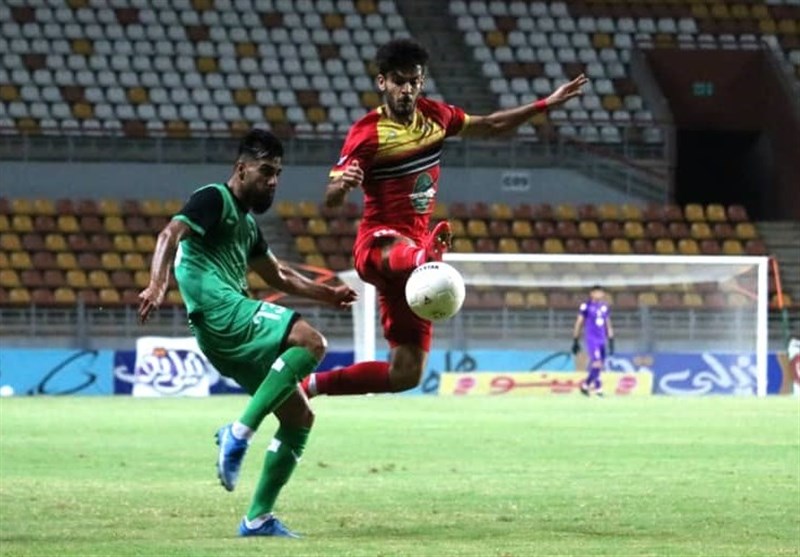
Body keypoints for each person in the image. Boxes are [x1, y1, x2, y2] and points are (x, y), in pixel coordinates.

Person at [300, 38, 588, 398]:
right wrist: (343, 185)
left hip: (413, 268)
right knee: (406, 248)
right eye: (399, 81)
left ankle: (309, 386)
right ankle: (422, 257)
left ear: (422, 82)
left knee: (406, 373)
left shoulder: (436, 116)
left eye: (414, 82)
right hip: (378, 248)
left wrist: (545, 104)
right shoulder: (367, 133)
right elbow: (330, 199)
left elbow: (491, 125)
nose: (407, 90)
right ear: (382, 82)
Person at [137, 129, 357, 538]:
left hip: (223, 335)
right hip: (222, 312)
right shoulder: (213, 198)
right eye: (266, 171)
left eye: (278, 174)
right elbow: (170, 234)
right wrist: (157, 283)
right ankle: (237, 433)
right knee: (311, 342)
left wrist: (328, 295)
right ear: (241, 169)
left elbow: (280, 276)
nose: (273, 181)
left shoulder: (249, 226)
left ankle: (257, 520)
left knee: (299, 418)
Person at [571, 285, 615, 396]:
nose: (600, 294)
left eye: (601, 292)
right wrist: (575, 340)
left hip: (602, 340)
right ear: (592, 294)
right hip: (592, 339)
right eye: (597, 292)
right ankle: (593, 387)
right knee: (597, 363)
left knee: (599, 364)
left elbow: (608, 324)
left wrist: (611, 340)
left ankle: (590, 386)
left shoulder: (604, 307)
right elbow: (579, 323)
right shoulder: (586, 306)